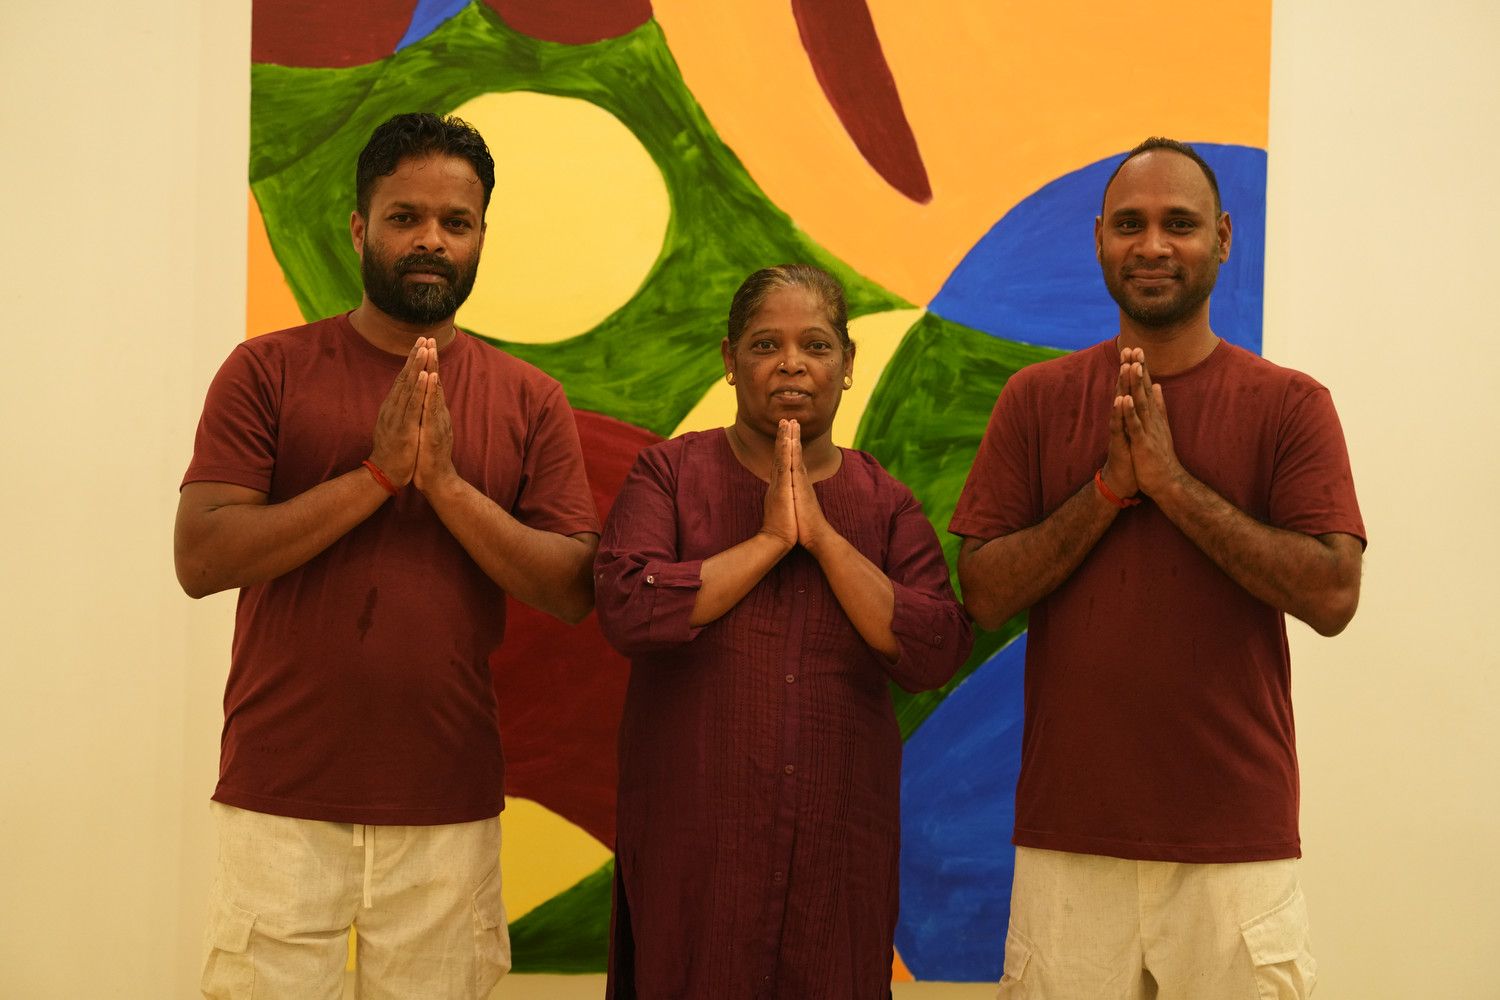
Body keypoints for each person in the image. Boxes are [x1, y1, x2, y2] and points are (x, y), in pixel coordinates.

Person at [175, 113, 600, 999]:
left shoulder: (530, 398)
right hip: (280, 797)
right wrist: (374, 475)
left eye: (456, 222)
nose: (431, 241)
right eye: (405, 217)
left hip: (448, 803)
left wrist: (443, 485)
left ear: (483, 235)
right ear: (361, 227)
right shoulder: (266, 371)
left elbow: (570, 588)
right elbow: (202, 555)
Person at [951, 137, 1366, 998]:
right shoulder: (1035, 402)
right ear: (1100, 239)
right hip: (1069, 844)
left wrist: (1173, 487)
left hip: (1234, 847)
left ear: (1220, 238)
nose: (1152, 245)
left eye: (1178, 225)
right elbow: (985, 592)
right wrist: (1106, 490)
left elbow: (1332, 594)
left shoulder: (1291, 405)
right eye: (1131, 225)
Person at [594, 264, 973, 998]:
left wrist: (826, 540)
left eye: (818, 345)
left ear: (849, 365)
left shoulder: (886, 505)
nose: (793, 363)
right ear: (730, 363)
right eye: (766, 345)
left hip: (837, 865)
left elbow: (934, 648)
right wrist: (768, 542)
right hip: (696, 859)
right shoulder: (668, 476)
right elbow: (628, 606)